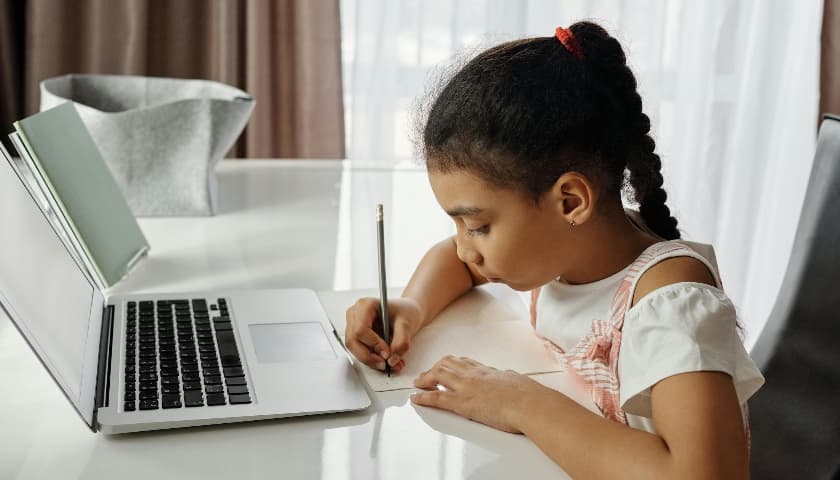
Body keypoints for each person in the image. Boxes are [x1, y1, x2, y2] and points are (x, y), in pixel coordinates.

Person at [345, 21, 765, 478]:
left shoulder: (668, 306)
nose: (466, 250)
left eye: (479, 226)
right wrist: (412, 305)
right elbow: (457, 263)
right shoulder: (567, 250)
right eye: (461, 226)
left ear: (570, 201)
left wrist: (523, 403)